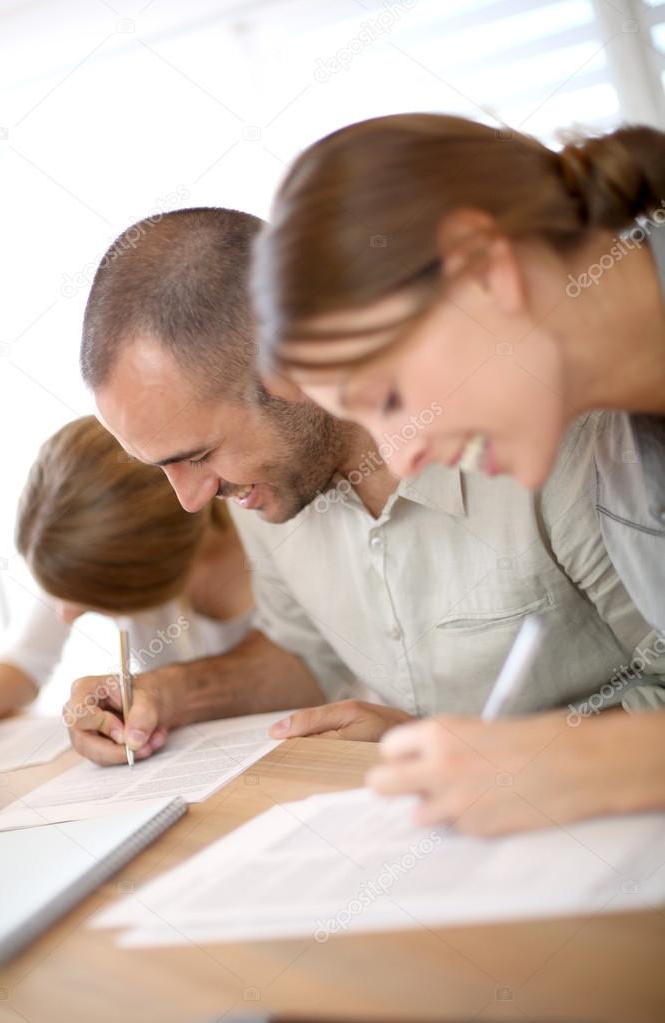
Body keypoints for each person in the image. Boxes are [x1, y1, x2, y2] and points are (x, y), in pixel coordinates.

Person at [68, 206, 665, 835]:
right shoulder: (257, 485)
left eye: (198, 456)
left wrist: (477, 757)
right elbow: (304, 652)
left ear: (290, 371)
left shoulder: (554, 440)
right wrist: (166, 695)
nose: (190, 498)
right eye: (163, 466)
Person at [249, 113, 665, 826]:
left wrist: (589, 763)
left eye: (387, 396)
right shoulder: (621, 454)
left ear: (484, 268)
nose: (403, 455)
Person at [0, 415, 253, 750]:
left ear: (145, 566)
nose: (66, 615)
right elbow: (23, 661)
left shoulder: (264, 549)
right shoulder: (87, 548)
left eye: (88, 599)